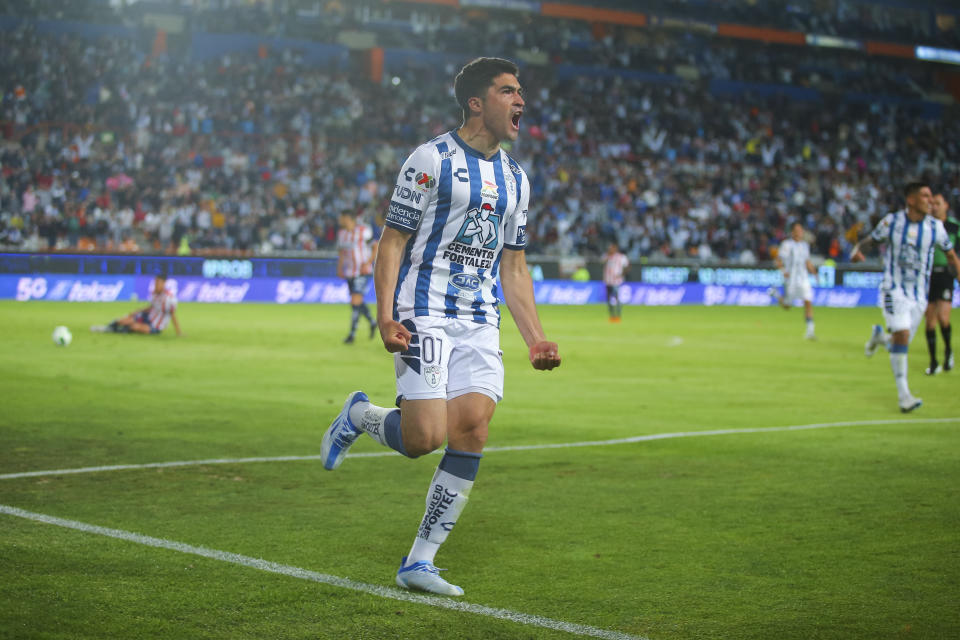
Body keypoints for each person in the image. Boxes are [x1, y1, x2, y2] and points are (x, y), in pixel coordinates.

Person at [320, 57, 561, 597]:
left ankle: (419, 562)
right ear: (476, 103)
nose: (520, 101)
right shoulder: (430, 160)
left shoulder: (517, 180)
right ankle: (359, 414)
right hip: (423, 309)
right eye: (508, 91)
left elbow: (514, 266)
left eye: (521, 92)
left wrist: (535, 337)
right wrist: (385, 315)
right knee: (423, 438)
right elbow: (392, 241)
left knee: (472, 426)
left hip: (479, 320)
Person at [853, 182, 960, 412]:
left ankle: (880, 337)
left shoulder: (936, 228)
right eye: (925, 195)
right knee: (901, 334)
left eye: (931, 196)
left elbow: (951, 255)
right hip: (893, 288)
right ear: (910, 200)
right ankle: (904, 397)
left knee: (899, 343)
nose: (930, 200)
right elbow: (872, 240)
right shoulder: (892, 222)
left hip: (919, 295)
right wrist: (858, 250)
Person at [923, 193, 959, 375]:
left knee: (944, 319)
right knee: (929, 323)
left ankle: (948, 351)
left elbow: (956, 254)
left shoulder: (954, 227)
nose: (934, 207)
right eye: (932, 204)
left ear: (946, 205)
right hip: (928, 276)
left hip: (946, 275)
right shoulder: (926, 226)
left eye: (938, 203)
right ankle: (934, 361)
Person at [768, 222, 817, 340]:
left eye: (801, 230)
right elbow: (778, 260)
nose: (800, 232)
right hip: (791, 279)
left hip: (803, 278)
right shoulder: (787, 245)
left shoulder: (805, 245)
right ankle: (775, 294)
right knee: (787, 306)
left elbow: (807, 261)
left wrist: (814, 273)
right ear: (793, 232)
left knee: (808, 301)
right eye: (798, 230)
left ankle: (810, 330)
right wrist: (783, 270)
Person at [90, 274, 181, 336]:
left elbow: (172, 314)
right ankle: (106, 328)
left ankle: (114, 331)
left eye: (159, 283)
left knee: (134, 327)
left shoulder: (169, 298)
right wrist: (138, 311)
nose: (157, 285)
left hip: (156, 326)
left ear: (164, 283)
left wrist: (178, 331)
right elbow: (152, 307)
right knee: (124, 320)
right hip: (147, 317)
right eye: (156, 282)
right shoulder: (154, 294)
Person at [336, 210, 377, 344]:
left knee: (355, 301)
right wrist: (339, 268)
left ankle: (351, 335)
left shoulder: (363, 231)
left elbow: (375, 247)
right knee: (357, 302)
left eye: (341, 218)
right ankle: (372, 322)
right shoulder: (342, 234)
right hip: (349, 272)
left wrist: (368, 262)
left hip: (362, 272)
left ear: (348, 218)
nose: (339, 220)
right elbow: (342, 253)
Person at [602, 243, 629, 322]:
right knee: (608, 298)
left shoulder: (621, 257)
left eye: (611, 248)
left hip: (616, 281)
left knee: (616, 297)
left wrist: (621, 274)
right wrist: (608, 256)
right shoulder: (607, 256)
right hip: (608, 281)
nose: (610, 250)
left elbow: (627, 266)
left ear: (615, 249)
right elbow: (601, 262)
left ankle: (618, 314)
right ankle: (612, 315)